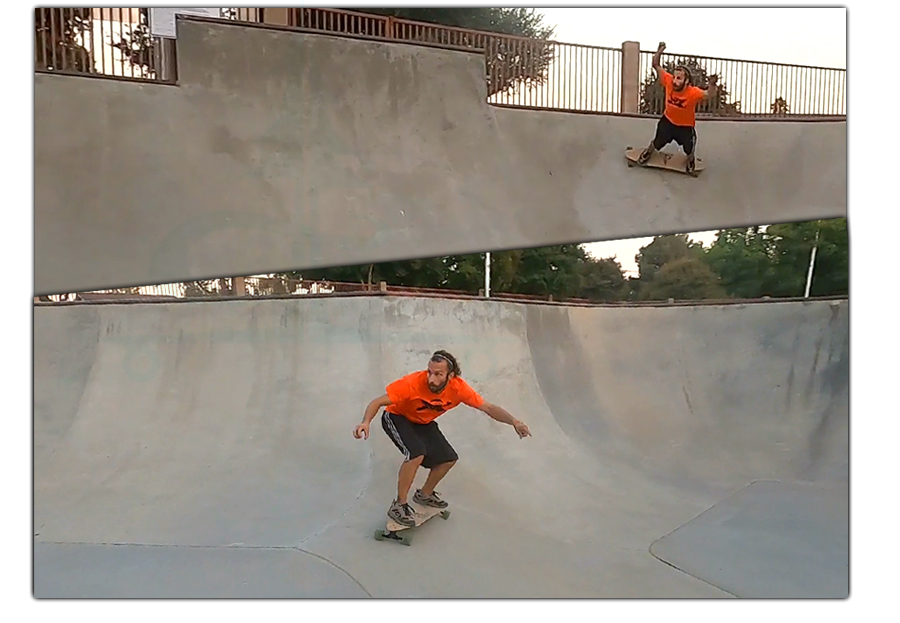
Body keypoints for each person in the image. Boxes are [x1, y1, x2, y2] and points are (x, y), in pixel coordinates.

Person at [353, 349, 531, 526]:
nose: (431, 379)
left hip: (423, 422)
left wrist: (514, 422)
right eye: (429, 372)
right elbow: (377, 402)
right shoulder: (412, 383)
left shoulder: (459, 389)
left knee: (448, 458)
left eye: (438, 374)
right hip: (397, 418)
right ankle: (399, 505)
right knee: (416, 453)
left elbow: (489, 408)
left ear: (450, 375)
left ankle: (425, 494)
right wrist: (365, 422)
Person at [638, 42, 718, 173]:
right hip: (668, 122)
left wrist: (712, 84)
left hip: (685, 127)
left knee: (690, 145)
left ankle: (690, 159)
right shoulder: (668, 81)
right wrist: (659, 51)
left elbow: (709, 94)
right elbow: (656, 65)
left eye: (679, 79)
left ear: (687, 81)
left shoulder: (692, 92)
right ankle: (648, 152)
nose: (675, 81)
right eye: (674, 77)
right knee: (657, 140)